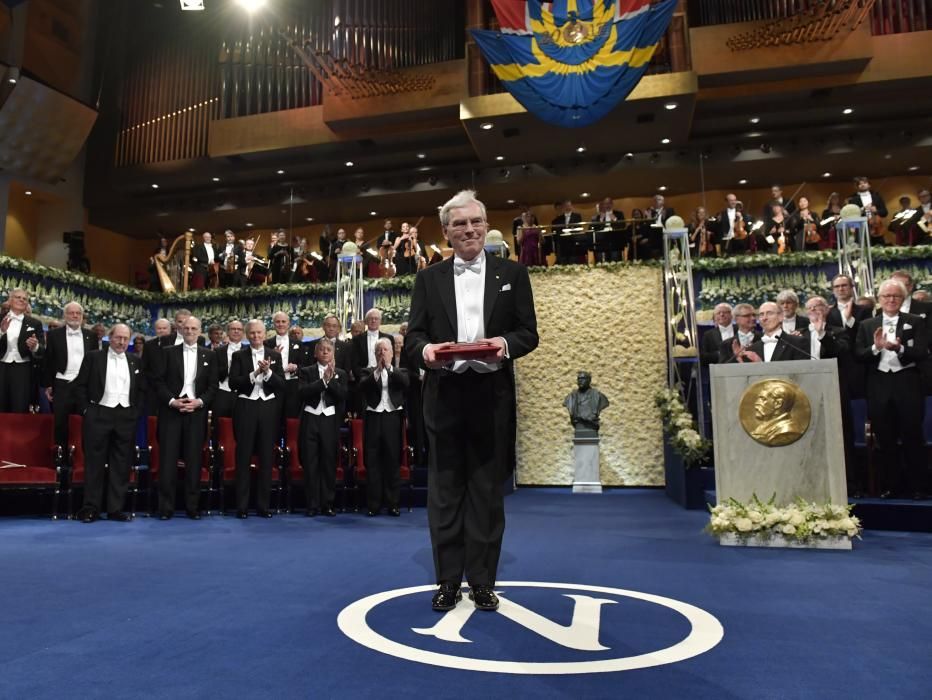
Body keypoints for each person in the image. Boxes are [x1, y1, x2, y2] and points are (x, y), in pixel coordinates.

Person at [405, 189, 539, 612]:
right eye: (459, 224)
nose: (469, 229)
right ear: (446, 232)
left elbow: (527, 333)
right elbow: (414, 337)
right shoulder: (427, 279)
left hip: (490, 396)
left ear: (486, 225)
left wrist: (501, 343)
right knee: (444, 494)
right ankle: (447, 580)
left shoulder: (513, 274)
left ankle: (482, 581)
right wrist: (426, 353)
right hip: (443, 395)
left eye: (475, 222)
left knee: (485, 493)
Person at [855, 279, 929, 499]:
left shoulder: (915, 321)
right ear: (879, 299)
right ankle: (891, 486)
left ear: (903, 298)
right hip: (878, 385)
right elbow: (859, 354)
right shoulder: (867, 325)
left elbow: (923, 353)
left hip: (908, 383)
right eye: (886, 296)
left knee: (912, 436)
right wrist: (875, 347)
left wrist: (901, 348)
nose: (891, 300)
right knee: (885, 438)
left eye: (896, 296)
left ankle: (918, 487)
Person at [73, 324, 144, 523]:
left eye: (125, 338)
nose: (122, 342)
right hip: (98, 414)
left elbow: (141, 390)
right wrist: (87, 410)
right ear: (109, 338)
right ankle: (91, 508)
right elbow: (80, 386)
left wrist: (135, 412)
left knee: (121, 465)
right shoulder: (93, 357)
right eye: (118, 337)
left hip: (126, 417)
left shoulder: (135, 361)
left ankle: (115, 508)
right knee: (94, 464)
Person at [154, 316, 218, 519]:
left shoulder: (210, 355)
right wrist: (172, 401)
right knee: (167, 461)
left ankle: (192, 507)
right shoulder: (166, 353)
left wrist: (199, 402)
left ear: (200, 331)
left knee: (194, 461)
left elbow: (213, 386)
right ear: (180, 330)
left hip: (196, 412)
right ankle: (165, 508)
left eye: (194, 328)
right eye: (186, 327)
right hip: (171, 412)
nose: (189, 331)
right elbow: (158, 383)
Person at [229, 319, 285, 518]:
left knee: (266, 458)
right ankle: (242, 507)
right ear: (247, 334)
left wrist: (268, 372)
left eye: (259, 333)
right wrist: (255, 373)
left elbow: (282, 384)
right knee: (243, 458)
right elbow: (234, 383)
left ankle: (263, 506)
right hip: (246, 407)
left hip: (268, 408)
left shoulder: (274, 355)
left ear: (264, 334)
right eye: (252, 333)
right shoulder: (238, 356)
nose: (256, 336)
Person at [298, 337, 348, 517]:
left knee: (328, 463)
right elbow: (303, 393)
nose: (325, 352)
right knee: (310, 464)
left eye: (329, 349)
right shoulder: (306, 371)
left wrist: (330, 381)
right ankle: (312, 505)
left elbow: (342, 395)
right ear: (315, 353)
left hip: (329, 420)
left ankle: (327, 503)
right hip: (310, 419)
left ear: (333, 353)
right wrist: (322, 382)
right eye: (322, 349)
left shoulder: (340, 373)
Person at [359, 338, 409, 516]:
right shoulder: (368, 371)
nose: (382, 353)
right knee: (372, 462)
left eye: (385, 350)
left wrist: (388, 368)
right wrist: (378, 371)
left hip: (392, 417)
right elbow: (363, 386)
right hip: (373, 417)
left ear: (391, 352)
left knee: (392, 461)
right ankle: (373, 505)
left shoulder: (400, 370)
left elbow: (405, 383)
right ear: (375, 354)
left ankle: (393, 503)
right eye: (379, 351)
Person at [42, 301, 96, 447]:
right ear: (65, 315)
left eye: (78, 313)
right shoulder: (54, 335)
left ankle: (81, 459)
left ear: (82, 316)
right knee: (60, 424)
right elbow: (48, 360)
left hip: (84, 386)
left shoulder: (91, 336)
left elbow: (96, 364)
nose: (75, 315)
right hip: (62, 384)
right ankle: (61, 460)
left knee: (84, 422)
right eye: (71, 313)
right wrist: (48, 385)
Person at [0, 288, 43, 413]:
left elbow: (42, 349)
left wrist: (34, 346)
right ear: (10, 300)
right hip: (1, 365)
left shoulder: (35, 323)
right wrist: (1, 331)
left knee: (19, 405)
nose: (21, 300)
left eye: (24, 298)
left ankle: (16, 431)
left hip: (23, 369)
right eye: (18, 297)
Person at [731, 302, 808, 363]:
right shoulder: (752, 349)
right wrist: (741, 360)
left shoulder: (797, 343)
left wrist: (761, 365)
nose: (764, 318)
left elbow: (801, 373)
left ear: (781, 317)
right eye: (761, 314)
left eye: (769, 313)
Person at [265, 311, 307, 419]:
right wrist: (273, 355)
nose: (281, 324)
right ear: (273, 324)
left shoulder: (299, 344)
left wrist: (296, 367)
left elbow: (305, 366)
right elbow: (262, 366)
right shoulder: (267, 344)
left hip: (292, 386)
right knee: (273, 418)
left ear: (288, 324)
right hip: (273, 385)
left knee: (291, 419)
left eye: (283, 321)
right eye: (278, 322)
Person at [213, 319, 246, 419]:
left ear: (243, 333)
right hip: (222, 392)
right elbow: (213, 374)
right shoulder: (218, 351)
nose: (236, 331)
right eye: (233, 329)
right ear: (227, 332)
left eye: (239, 329)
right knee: (220, 425)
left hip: (243, 393)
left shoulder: (249, 350)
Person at [564, 371, 610, 436]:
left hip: (592, 428)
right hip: (578, 427)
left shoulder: (598, 396)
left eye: (583, 378)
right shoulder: (571, 397)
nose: (580, 381)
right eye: (579, 379)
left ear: (589, 380)